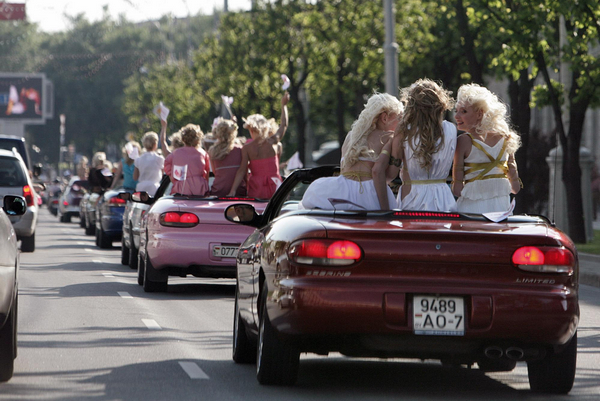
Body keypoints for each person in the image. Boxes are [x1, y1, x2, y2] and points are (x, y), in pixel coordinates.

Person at [301, 92, 403, 210]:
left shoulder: (350, 136)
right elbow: (388, 176)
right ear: (385, 117)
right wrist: (385, 210)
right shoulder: (388, 138)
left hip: (340, 195)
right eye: (399, 118)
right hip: (368, 197)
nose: (400, 123)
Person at [382, 79, 457, 212]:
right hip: (442, 196)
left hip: (413, 197)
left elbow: (391, 173)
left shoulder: (404, 130)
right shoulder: (451, 129)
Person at [452, 83, 521, 213]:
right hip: (501, 207)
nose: (456, 116)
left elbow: (457, 189)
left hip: (471, 207)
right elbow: (515, 186)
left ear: (480, 114)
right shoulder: (505, 138)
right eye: (457, 111)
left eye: (464, 111)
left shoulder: (463, 141)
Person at [227, 92, 289, 198]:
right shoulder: (273, 141)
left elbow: (242, 170)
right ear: (266, 128)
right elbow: (284, 125)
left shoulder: (247, 148)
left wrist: (233, 190)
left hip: (257, 186)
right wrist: (284, 105)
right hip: (275, 185)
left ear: (251, 130)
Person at [164, 124, 211, 196]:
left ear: (183, 139)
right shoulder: (203, 153)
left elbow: (167, 164)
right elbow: (207, 172)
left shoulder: (176, 153)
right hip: (200, 189)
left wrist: (174, 180)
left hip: (181, 189)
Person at [209, 118, 247, 197]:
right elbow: (244, 172)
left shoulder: (212, 151)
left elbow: (215, 172)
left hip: (218, 190)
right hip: (238, 192)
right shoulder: (240, 149)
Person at [134, 131, 164, 196]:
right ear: (155, 144)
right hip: (154, 188)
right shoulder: (159, 159)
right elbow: (163, 175)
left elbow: (135, 177)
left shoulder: (138, 159)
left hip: (141, 188)